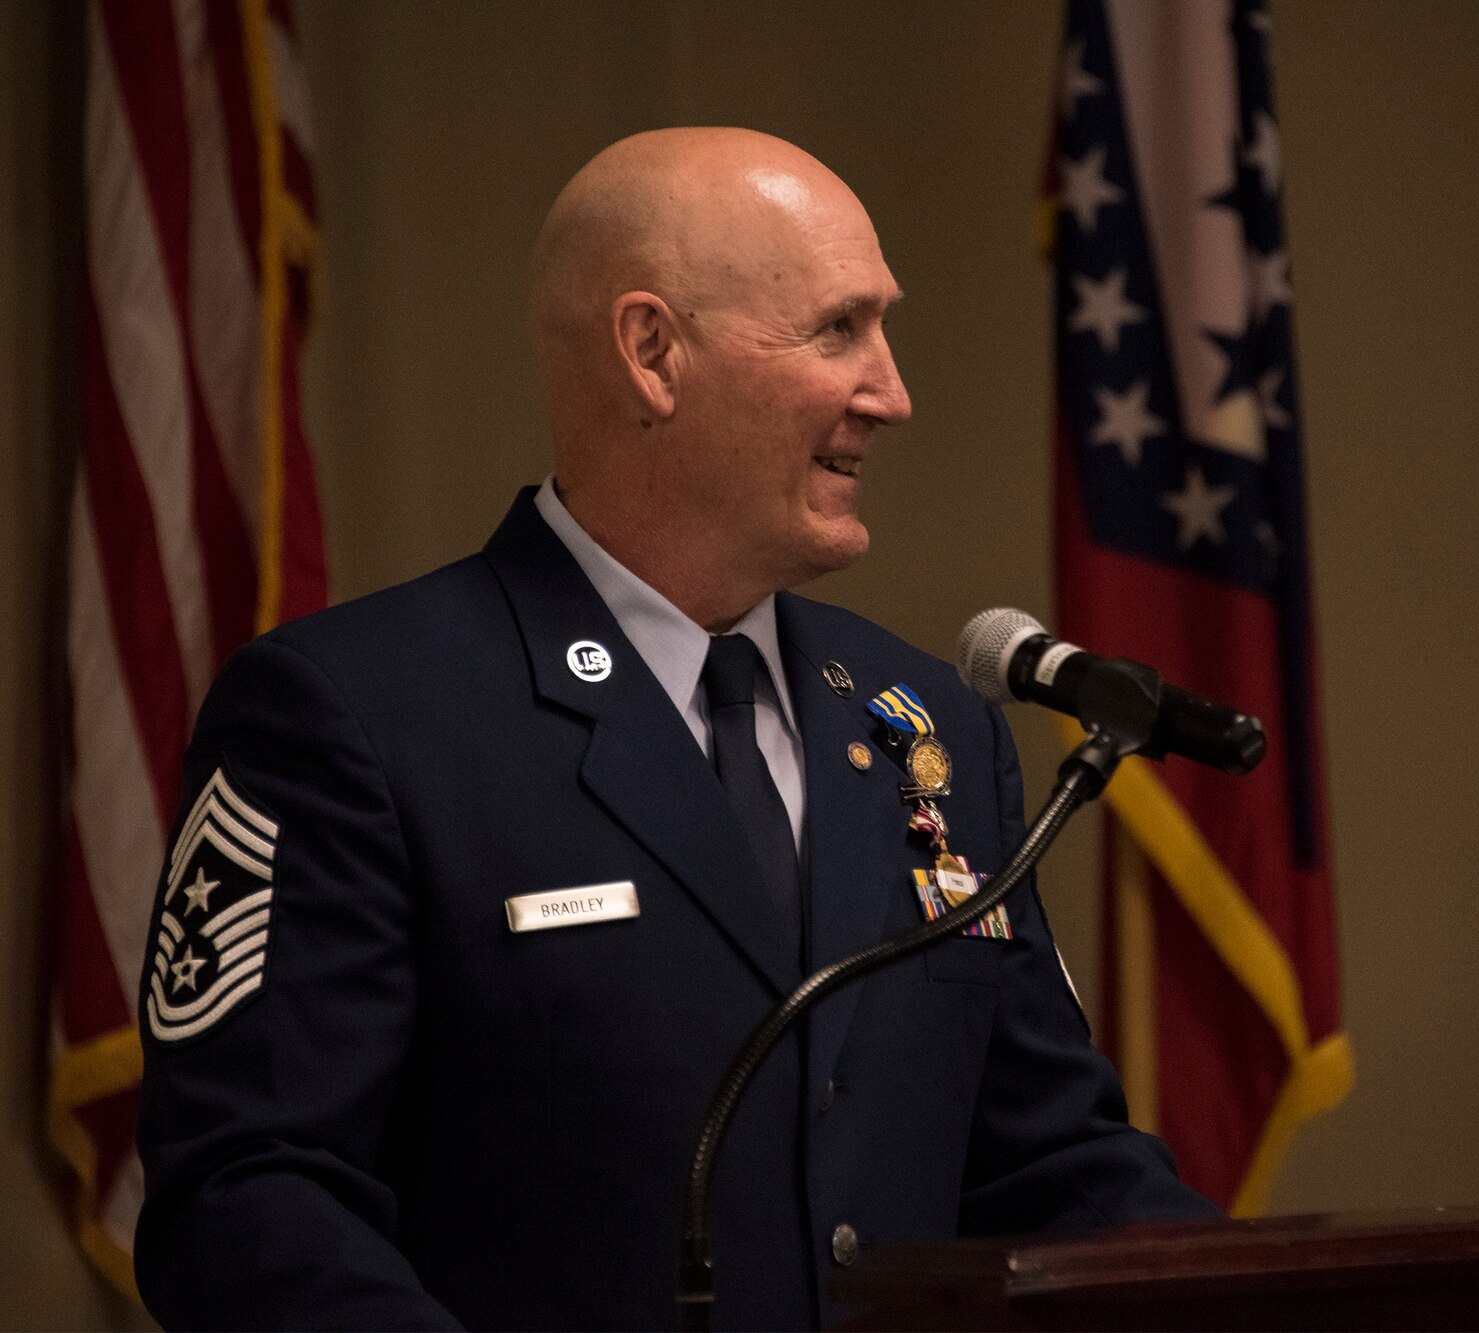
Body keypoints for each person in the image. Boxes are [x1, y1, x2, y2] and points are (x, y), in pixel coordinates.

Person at [133, 128, 1214, 1331]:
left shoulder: (928, 725)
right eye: (837, 329)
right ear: (651, 353)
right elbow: (249, 1205)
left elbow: (1052, 1165)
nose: (891, 392)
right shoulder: (358, 716)